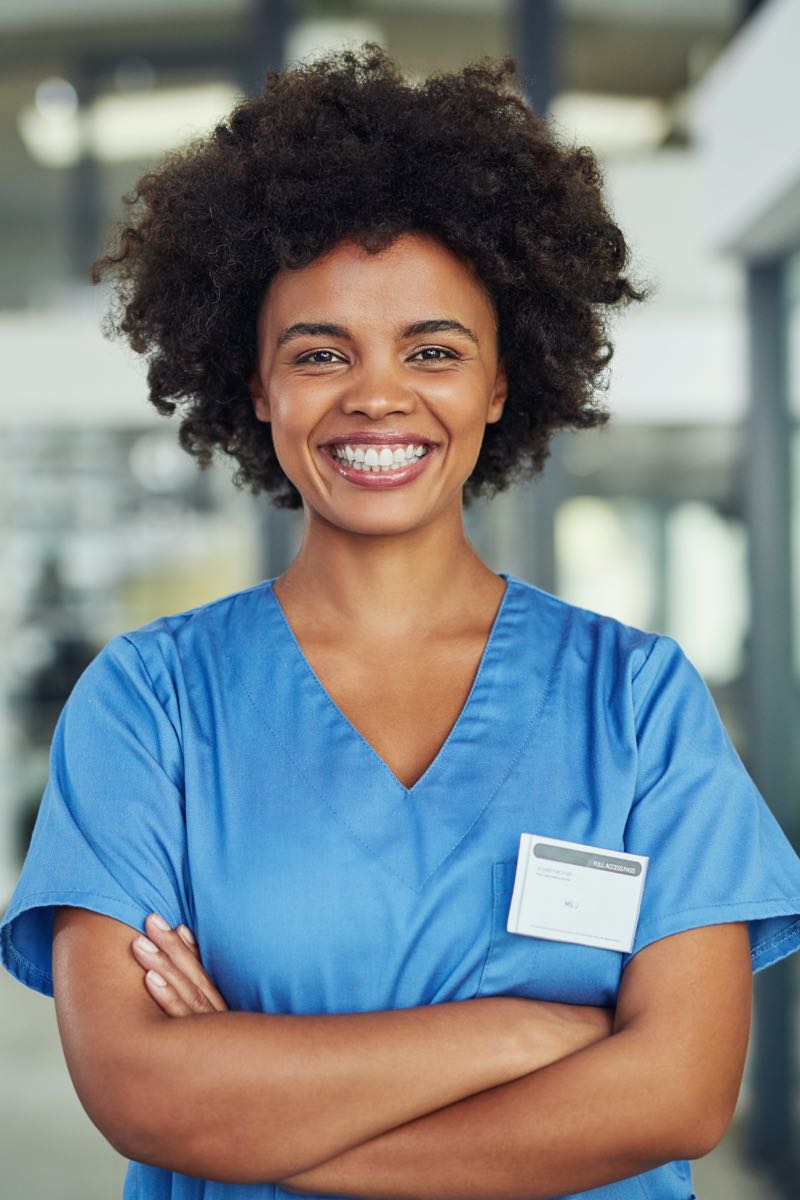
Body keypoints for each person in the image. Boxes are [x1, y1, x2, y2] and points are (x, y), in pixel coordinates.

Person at [2, 42, 800, 1200]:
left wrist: (261, 1123)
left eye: (432, 350)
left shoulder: (634, 700)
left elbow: (676, 1095)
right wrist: (528, 1034)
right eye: (319, 353)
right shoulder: (150, 702)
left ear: (498, 383)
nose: (377, 394)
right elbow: (140, 1093)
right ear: (258, 385)